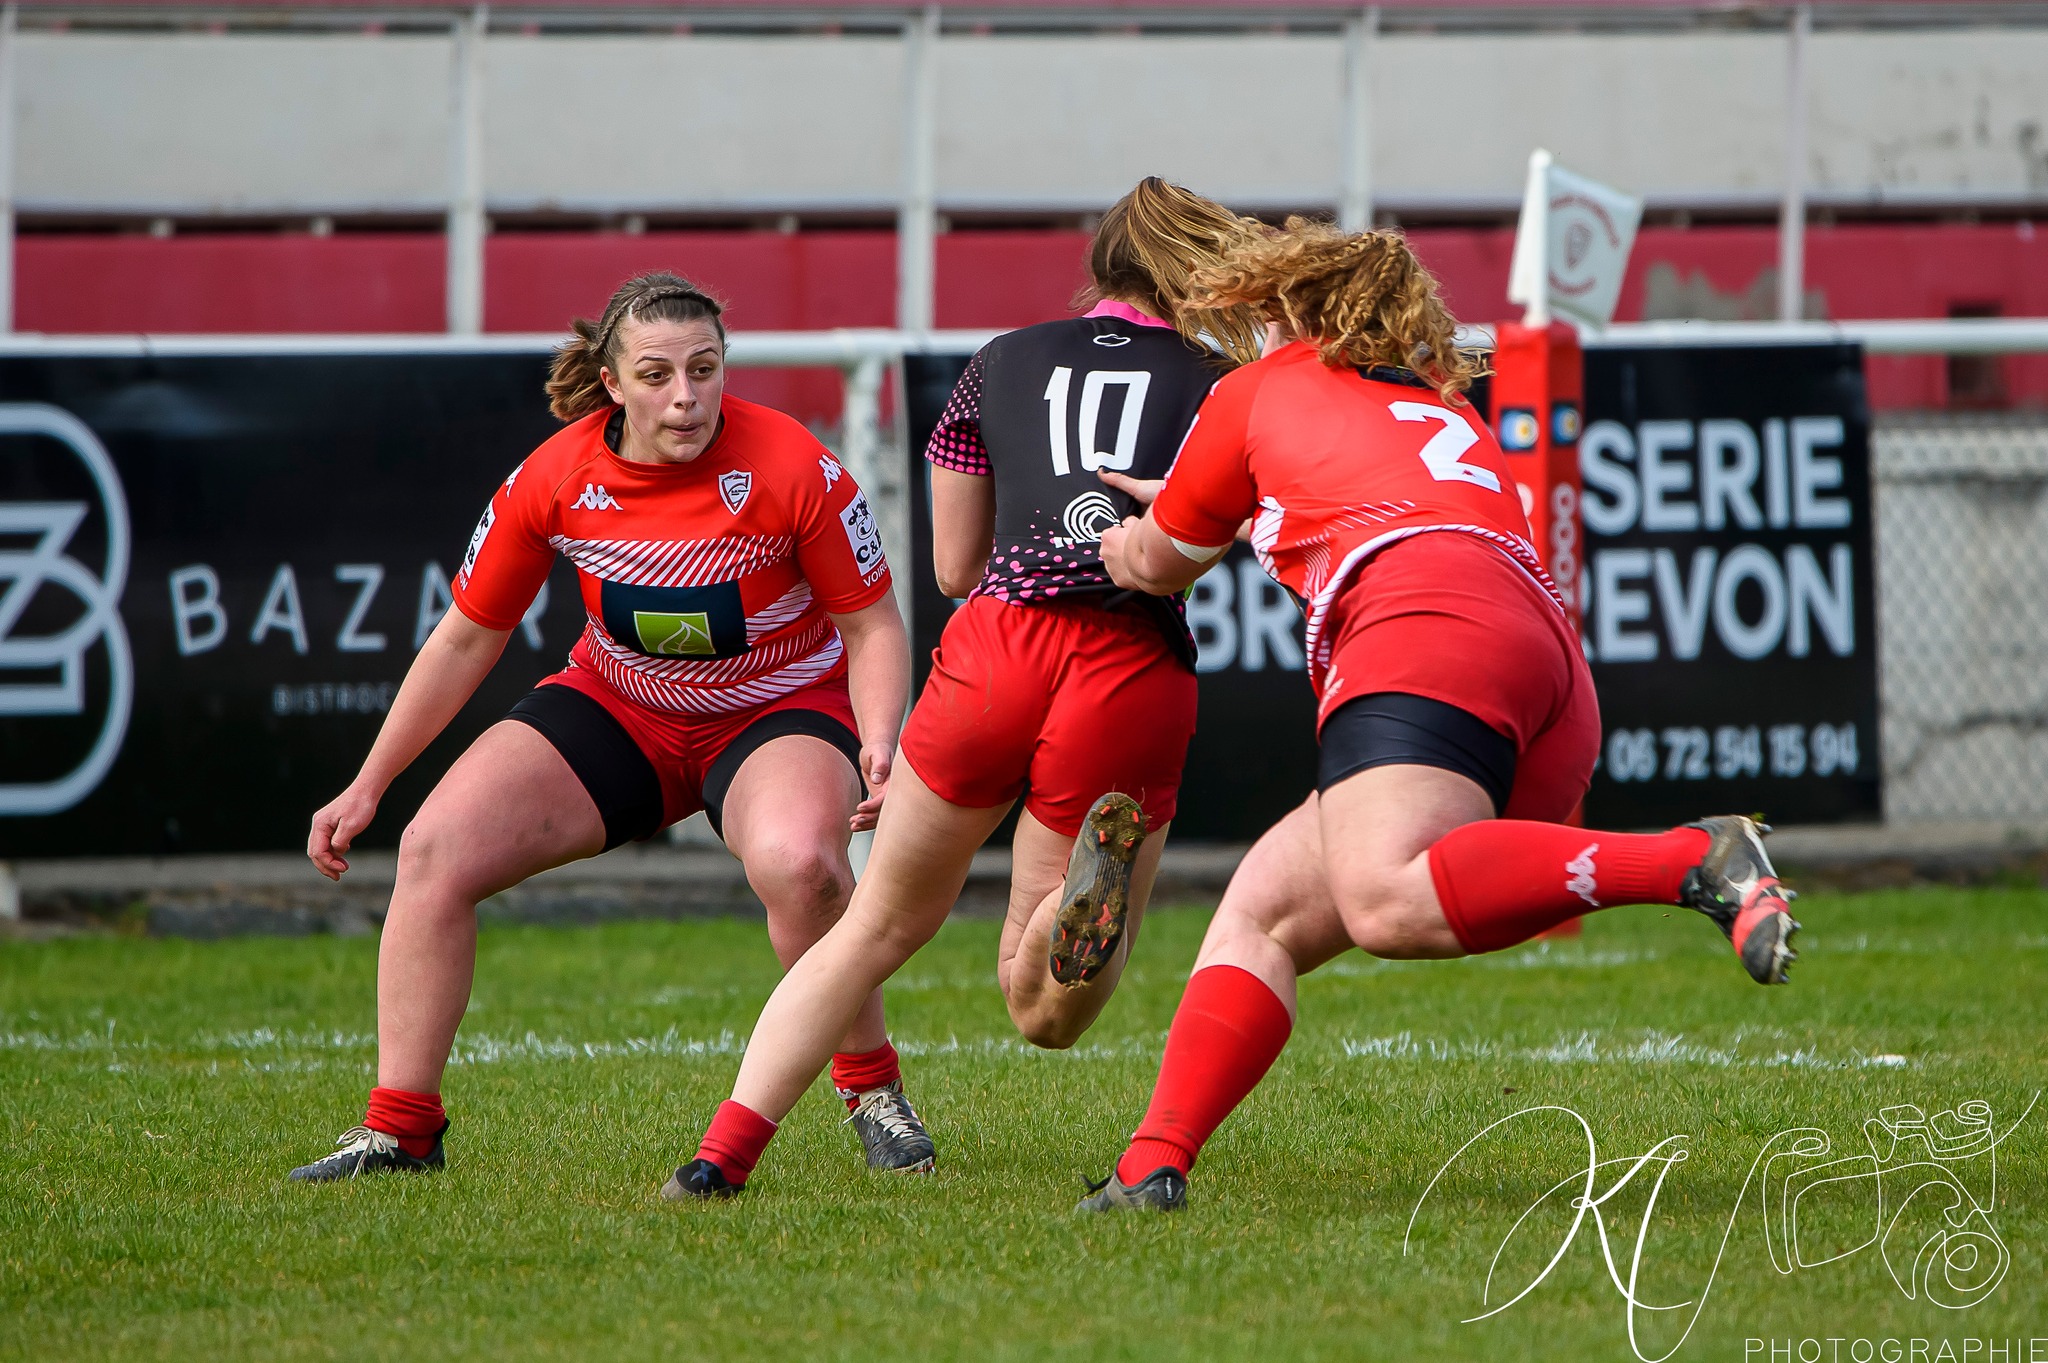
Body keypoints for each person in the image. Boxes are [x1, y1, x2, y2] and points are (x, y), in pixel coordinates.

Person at [1077, 220, 1802, 1213]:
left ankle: (1688, 855)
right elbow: (1358, 493)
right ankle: (1148, 1168)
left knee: (1381, 899)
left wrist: (1123, 544)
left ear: (1289, 306)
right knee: (1263, 915)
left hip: (1423, 625)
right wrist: (1231, 511)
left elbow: (1162, 560)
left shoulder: (1258, 387)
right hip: (1544, 669)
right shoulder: (1435, 400)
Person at [662, 178, 1269, 1199]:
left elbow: (951, 566)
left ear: (1100, 269)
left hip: (996, 648)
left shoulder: (1000, 360)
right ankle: (1080, 895)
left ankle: (719, 1157)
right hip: (1130, 662)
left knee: (871, 930)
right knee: (1043, 1011)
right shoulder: (1223, 383)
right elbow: (1240, 532)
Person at [289, 271, 935, 1185]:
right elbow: (467, 636)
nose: (685, 397)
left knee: (803, 867)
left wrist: (878, 741)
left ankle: (872, 1091)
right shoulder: (555, 475)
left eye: (704, 369)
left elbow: (872, 626)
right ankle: (401, 1132)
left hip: (775, 711)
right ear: (612, 383)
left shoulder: (795, 464)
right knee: (432, 849)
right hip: (620, 705)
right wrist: (369, 783)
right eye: (658, 375)